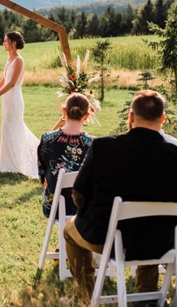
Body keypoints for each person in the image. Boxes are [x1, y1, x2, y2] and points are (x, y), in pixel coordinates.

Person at [63, 90, 177, 304]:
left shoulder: (103, 147)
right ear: (162, 118)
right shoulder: (174, 156)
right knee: (150, 227)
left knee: (69, 230)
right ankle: (146, 298)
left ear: (131, 117)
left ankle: (83, 297)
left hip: (105, 237)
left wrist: (86, 213)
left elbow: (78, 193)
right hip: (160, 241)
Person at [0, 31, 38, 177]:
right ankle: (7, 162)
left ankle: (25, 159)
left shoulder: (18, 60)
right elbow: (3, 80)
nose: (3, 43)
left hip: (14, 100)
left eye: (6, 41)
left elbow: (11, 83)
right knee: (7, 127)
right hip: (6, 100)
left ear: (13, 43)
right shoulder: (9, 60)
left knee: (15, 128)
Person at [37, 93, 93, 219]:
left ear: (64, 111)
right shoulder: (93, 145)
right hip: (84, 208)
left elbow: (42, 174)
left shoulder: (46, 139)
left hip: (53, 207)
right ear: (87, 116)